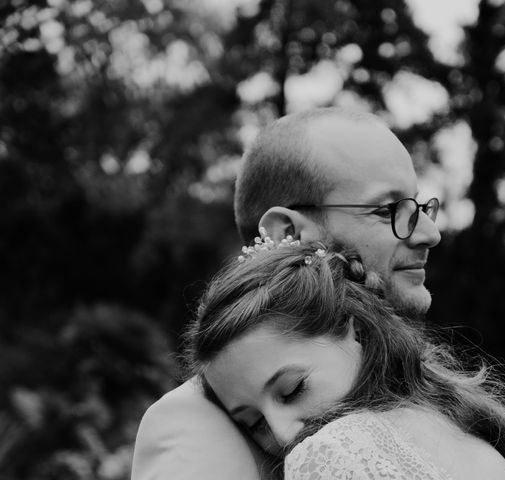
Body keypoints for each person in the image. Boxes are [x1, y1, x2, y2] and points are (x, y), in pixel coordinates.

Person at [132, 108, 442, 479]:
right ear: (286, 234)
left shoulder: (426, 386)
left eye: (417, 205)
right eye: (388, 209)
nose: (429, 233)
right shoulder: (194, 422)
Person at [185, 241, 505, 480]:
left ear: (354, 330)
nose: (283, 433)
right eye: (253, 424)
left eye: (293, 390)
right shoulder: (458, 423)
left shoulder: (333, 451)